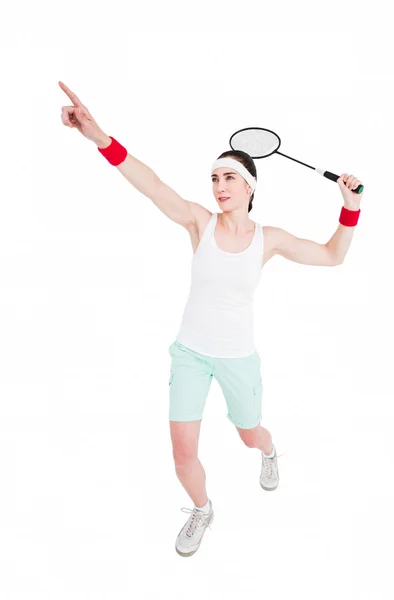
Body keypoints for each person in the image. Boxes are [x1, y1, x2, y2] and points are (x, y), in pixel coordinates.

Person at [59, 81, 364, 558]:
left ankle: (268, 450)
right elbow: (152, 184)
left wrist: (351, 209)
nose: (219, 187)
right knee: (183, 456)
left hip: (238, 358)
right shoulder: (197, 222)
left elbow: (331, 256)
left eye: (228, 179)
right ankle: (202, 509)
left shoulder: (271, 238)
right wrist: (100, 137)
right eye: (214, 179)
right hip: (191, 355)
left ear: (250, 187)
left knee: (249, 434)